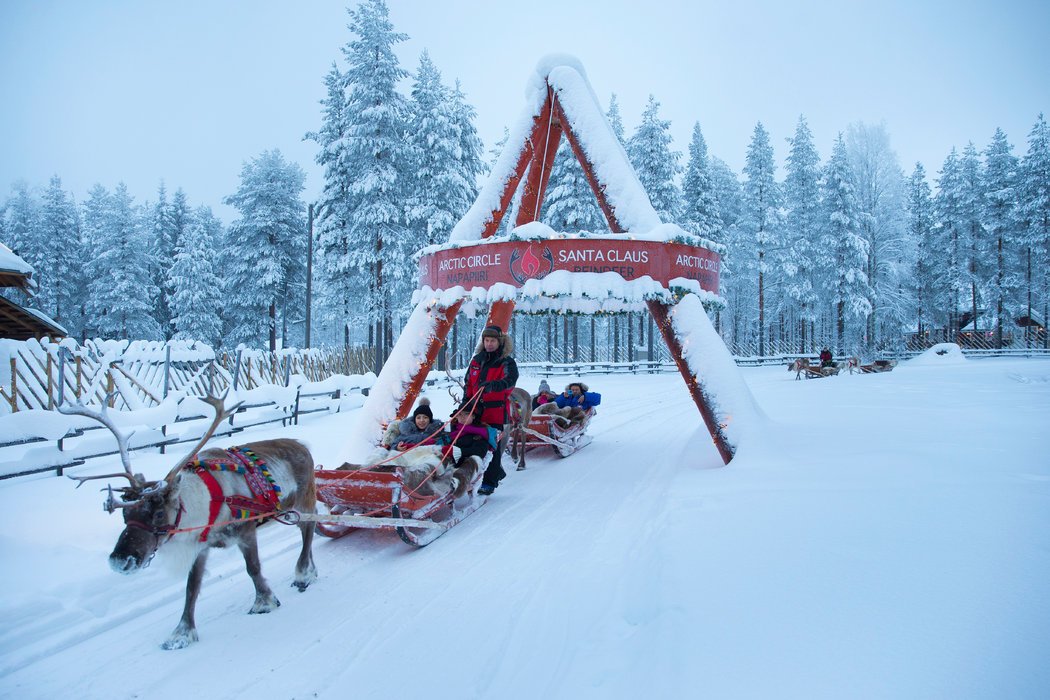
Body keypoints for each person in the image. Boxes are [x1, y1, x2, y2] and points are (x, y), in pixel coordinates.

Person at [464, 324, 519, 495]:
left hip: (495, 412)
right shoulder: (476, 361)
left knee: (492, 447)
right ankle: (474, 474)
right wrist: (464, 407)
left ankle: (490, 481)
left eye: (492, 341)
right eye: (486, 340)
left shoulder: (506, 362)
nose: (489, 344)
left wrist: (493, 386)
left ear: (499, 342)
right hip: (475, 411)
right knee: (470, 443)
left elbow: (509, 381)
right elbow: (468, 385)